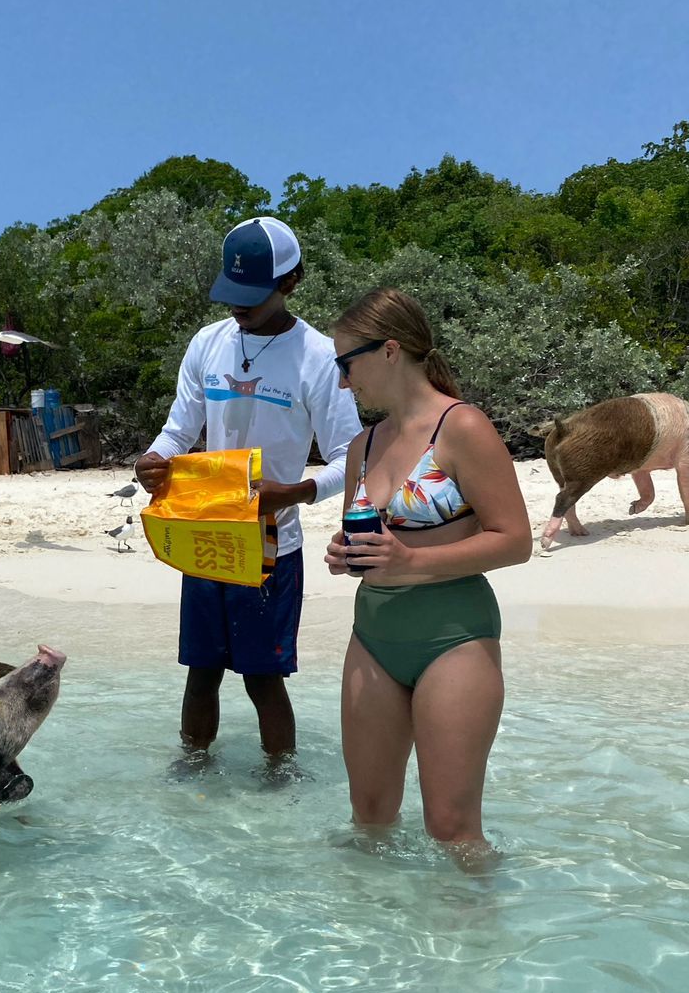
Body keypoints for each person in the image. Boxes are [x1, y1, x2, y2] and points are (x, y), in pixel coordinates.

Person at [135, 217, 362, 765]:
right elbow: (178, 429)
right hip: (205, 539)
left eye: (252, 297)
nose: (238, 307)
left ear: (291, 282)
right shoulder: (206, 344)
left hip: (270, 549)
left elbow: (351, 460)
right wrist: (156, 459)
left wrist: (297, 492)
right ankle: (191, 771)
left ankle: (280, 782)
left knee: (263, 681)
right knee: (200, 674)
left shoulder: (319, 358)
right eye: (231, 293)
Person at [325, 287, 532, 853]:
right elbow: (369, 540)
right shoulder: (362, 446)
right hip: (372, 636)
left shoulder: (462, 428)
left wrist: (412, 560)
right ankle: (372, 938)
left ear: (390, 351)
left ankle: (479, 940)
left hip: (454, 636)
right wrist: (345, 555)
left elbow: (515, 541)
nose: (343, 380)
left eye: (347, 363)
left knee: (452, 829)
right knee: (368, 817)